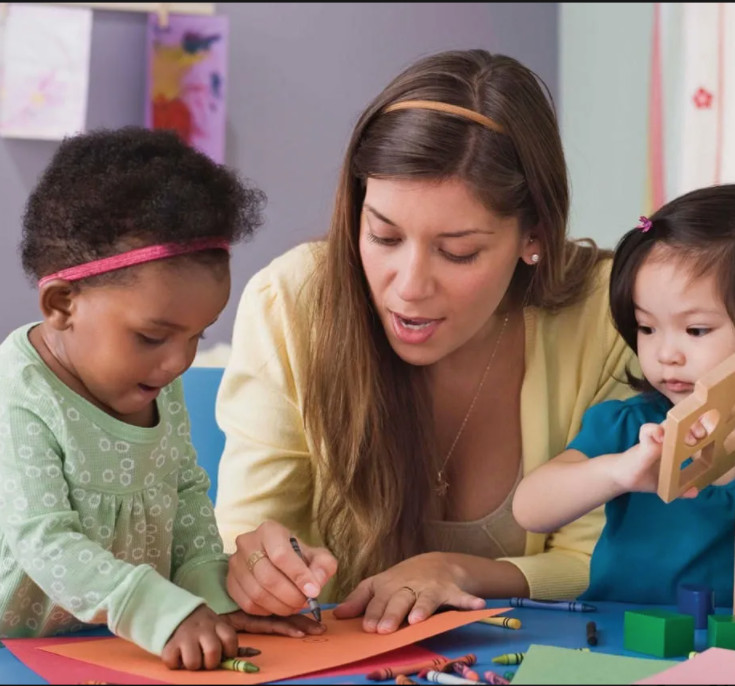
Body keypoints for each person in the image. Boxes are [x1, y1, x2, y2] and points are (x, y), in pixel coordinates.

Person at [213, 49, 636, 634]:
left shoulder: (610, 313)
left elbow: (604, 560)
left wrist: (455, 570)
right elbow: (249, 535)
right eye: (383, 236)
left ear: (533, 237)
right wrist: (257, 567)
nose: (408, 288)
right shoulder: (289, 302)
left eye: (458, 251)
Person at [0, 127, 324, 670]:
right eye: (152, 336)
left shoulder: (156, 376)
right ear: (62, 303)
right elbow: (45, 542)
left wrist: (211, 594)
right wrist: (158, 609)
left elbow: (185, 494)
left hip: (121, 644)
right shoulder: (18, 389)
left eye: (198, 336)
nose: (178, 361)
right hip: (1, 648)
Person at [512, 183, 735, 607]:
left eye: (696, 330)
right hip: (620, 639)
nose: (665, 354)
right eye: (647, 327)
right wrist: (616, 473)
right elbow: (531, 508)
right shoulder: (629, 428)